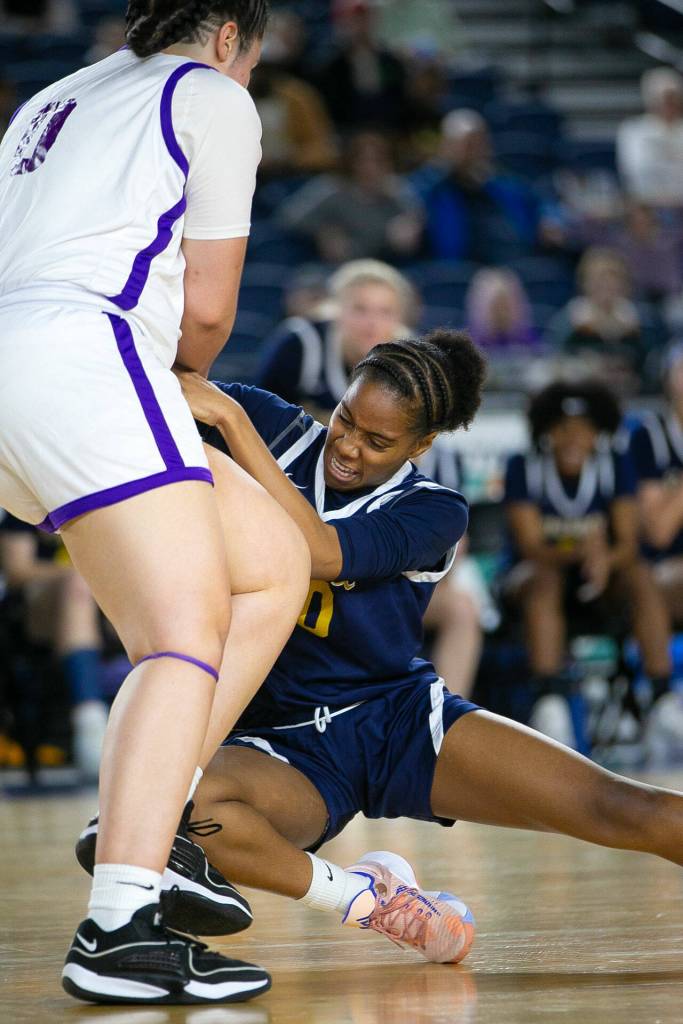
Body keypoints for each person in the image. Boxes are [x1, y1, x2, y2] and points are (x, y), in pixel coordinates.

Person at [177, 339, 683, 967]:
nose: (349, 446)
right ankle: (368, 899)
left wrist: (228, 422)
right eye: (345, 418)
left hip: (398, 721)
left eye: (378, 441)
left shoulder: (435, 510)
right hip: (284, 741)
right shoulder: (273, 424)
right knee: (187, 814)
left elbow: (323, 552)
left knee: (618, 808)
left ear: (420, 446)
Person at [0, 0, 310, 1006]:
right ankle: (120, 922)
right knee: (182, 634)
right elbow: (210, 308)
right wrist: (190, 381)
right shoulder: (211, 95)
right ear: (231, 36)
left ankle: (149, 814)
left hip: (23, 368)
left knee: (269, 562)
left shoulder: (55, 96)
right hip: (85, 358)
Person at [503, 381, 672, 745]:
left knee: (640, 573)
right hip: (536, 580)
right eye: (563, 428)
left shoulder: (615, 465)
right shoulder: (524, 465)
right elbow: (530, 545)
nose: (573, 438)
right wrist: (584, 551)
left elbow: (628, 543)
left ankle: (661, 696)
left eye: (584, 429)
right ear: (546, 430)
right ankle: (549, 700)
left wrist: (603, 559)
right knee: (543, 577)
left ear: (600, 433)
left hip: (600, 581)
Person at [0, 513, 108, 780]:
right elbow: (17, 570)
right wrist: (84, 575)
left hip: (104, 601)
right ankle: (90, 722)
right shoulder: (27, 501)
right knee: (77, 587)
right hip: (40, 606)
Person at [258, 259, 415, 418]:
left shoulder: (411, 360)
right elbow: (260, 415)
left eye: (385, 312)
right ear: (335, 310)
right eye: (360, 309)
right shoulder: (302, 342)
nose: (372, 323)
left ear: (400, 319)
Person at [415, 109, 564, 263]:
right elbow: (408, 200)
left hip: (511, 264)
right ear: (446, 147)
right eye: (465, 145)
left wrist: (551, 219)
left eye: (478, 143)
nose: (472, 153)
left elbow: (541, 203)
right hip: (456, 269)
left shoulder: (504, 184)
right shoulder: (430, 186)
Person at [277, 132, 424, 264]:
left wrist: (412, 223)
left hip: (386, 266)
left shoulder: (398, 192)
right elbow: (288, 216)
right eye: (363, 160)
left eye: (378, 161)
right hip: (333, 267)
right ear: (351, 163)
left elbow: (419, 218)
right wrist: (323, 232)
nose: (370, 168)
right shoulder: (331, 189)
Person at [547, 247, 659, 396]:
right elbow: (556, 362)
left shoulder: (644, 321)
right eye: (598, 279)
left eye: (612, 278)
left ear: (625, 284)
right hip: (583, 395)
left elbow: (652, 366)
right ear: (584, 283)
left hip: (634, 397)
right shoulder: (566, 321)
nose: (605, 285)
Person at [617, 67, 683, 207]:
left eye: (673, 98)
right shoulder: (633, 130)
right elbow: (635, 170)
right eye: (664, 99)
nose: (669, 105)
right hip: (647, 203)